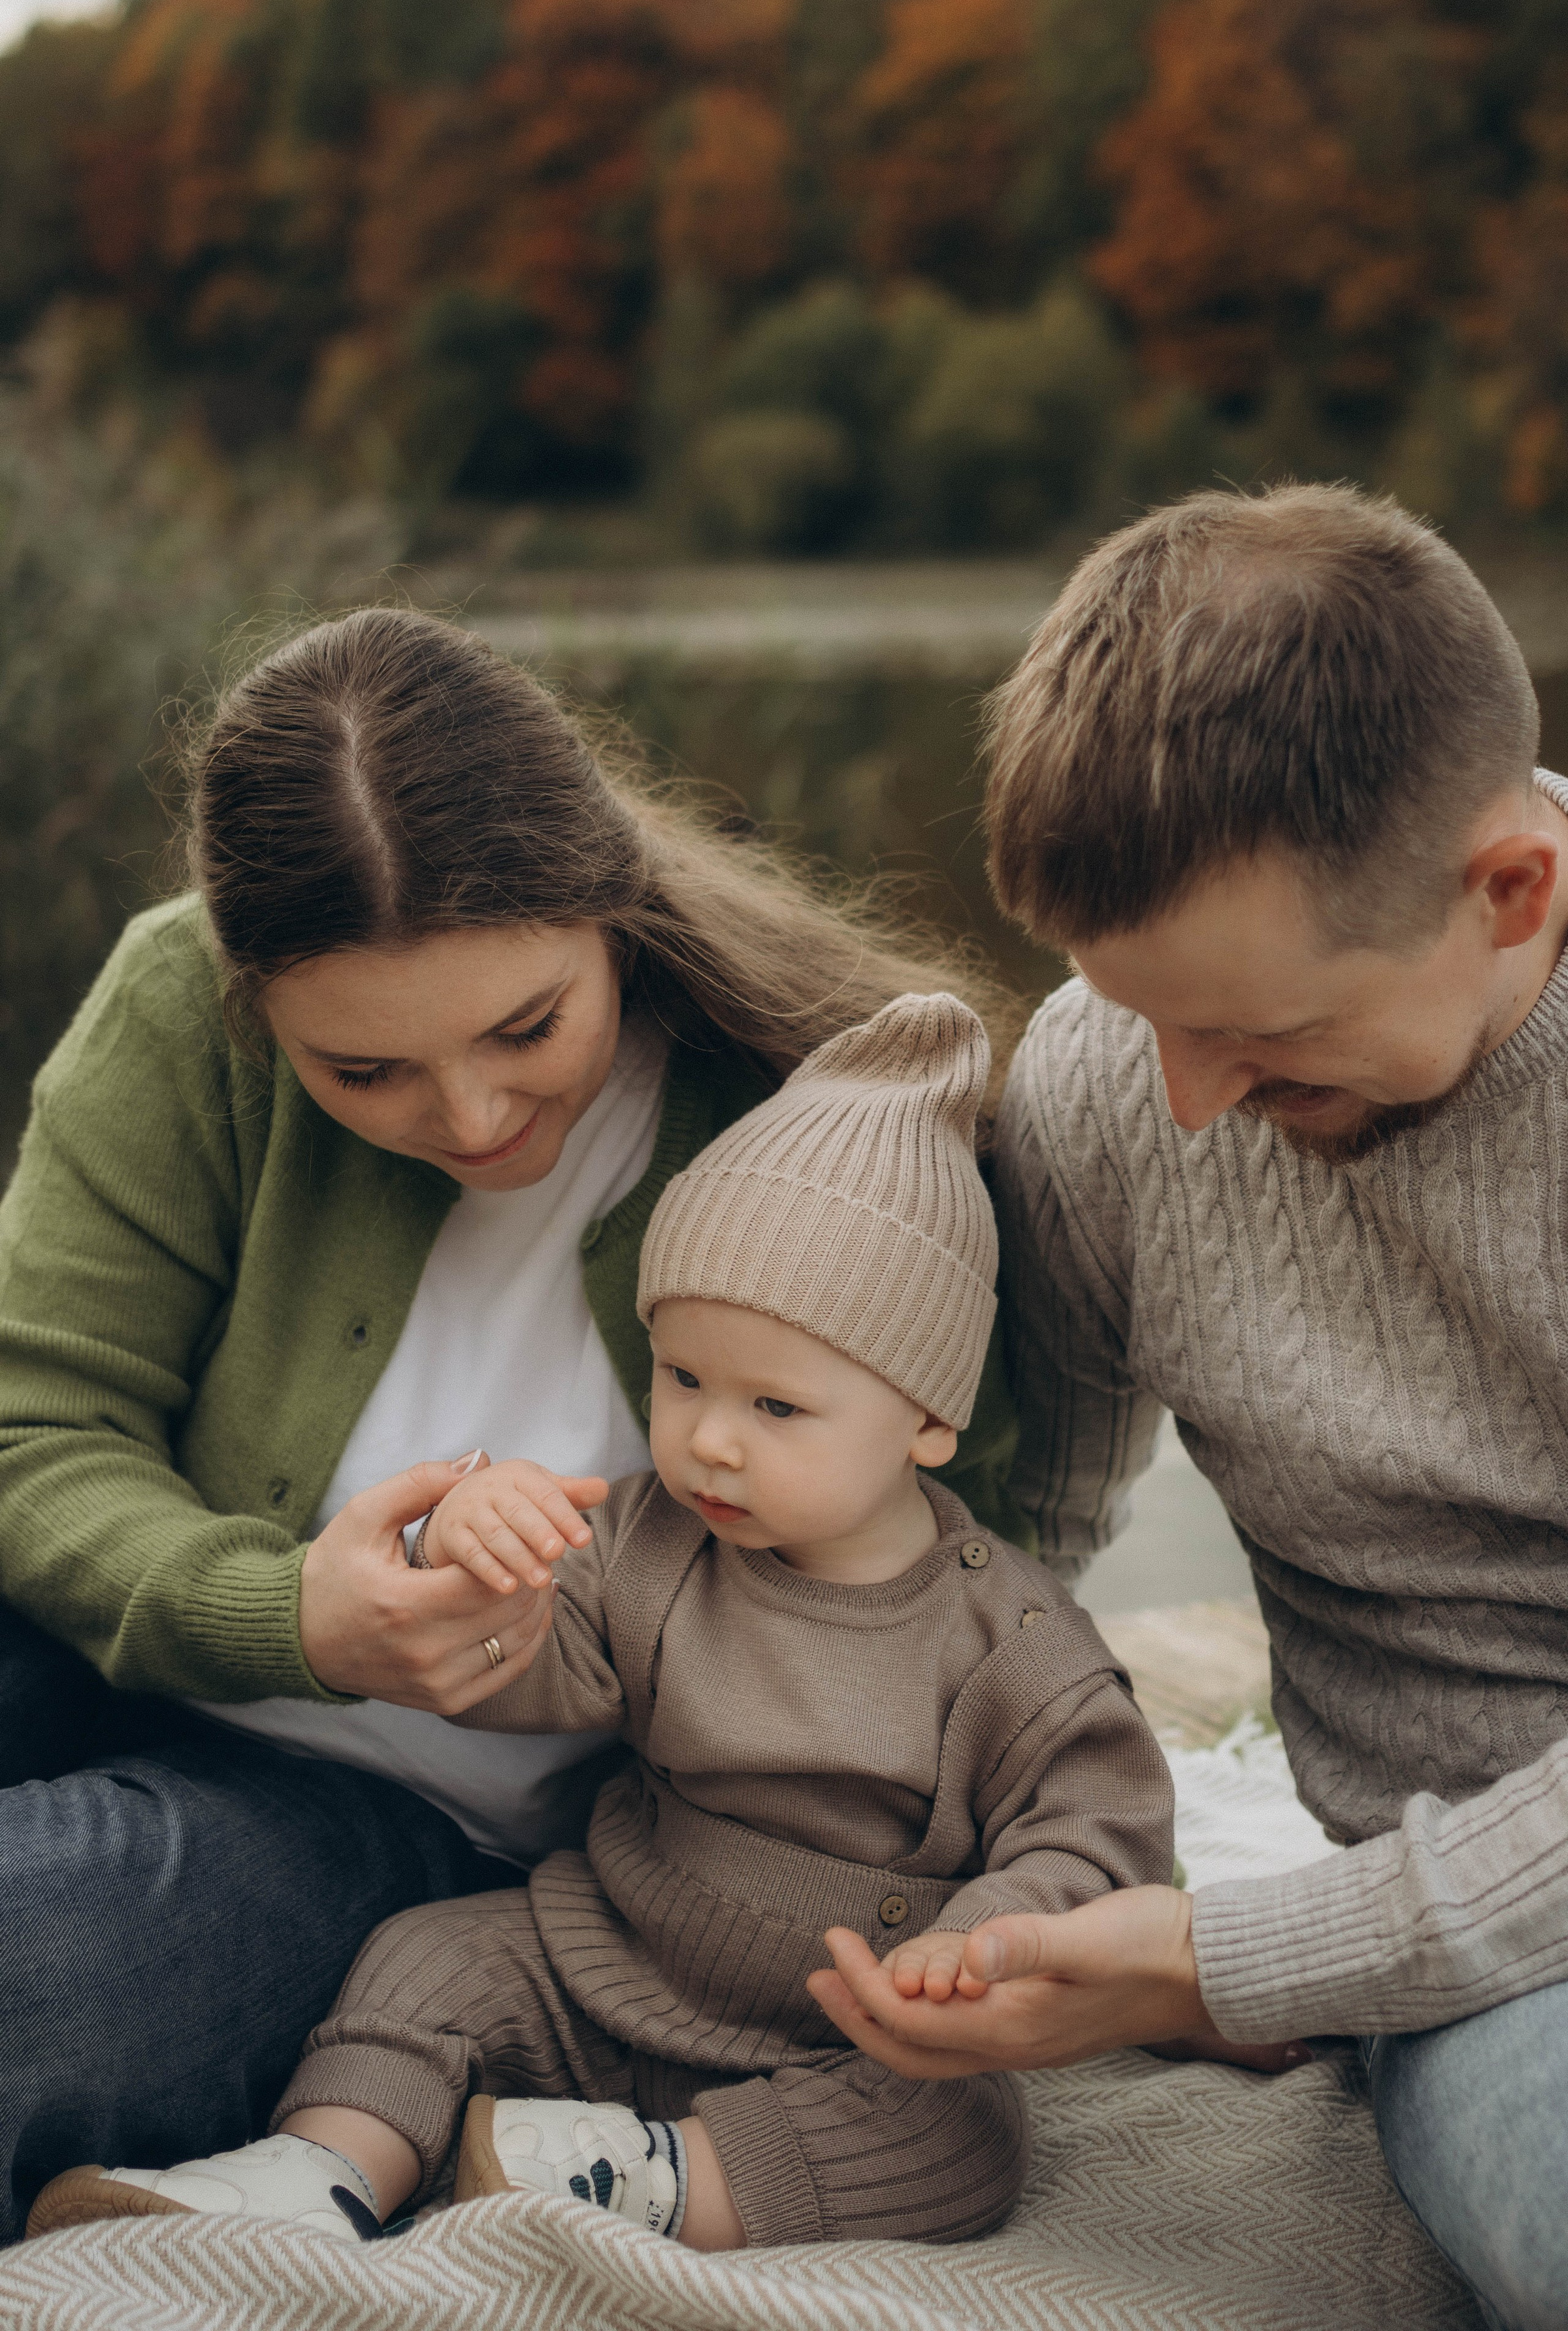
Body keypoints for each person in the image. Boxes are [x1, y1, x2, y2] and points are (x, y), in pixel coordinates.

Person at [0, 611, 1021, 2245]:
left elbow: (951, 1574)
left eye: (527, 1029)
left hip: (422, 1822)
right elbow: (38, 1423)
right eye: (363, 1071)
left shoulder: (822, 1117)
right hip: (98, 1639)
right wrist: (286, 1613)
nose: (472, 1118)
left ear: (611, 906)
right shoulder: (177, 1004)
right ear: (256, 1002)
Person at [808, 486, 1568, 2331]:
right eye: (1140, 1018)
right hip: (1516, 1981)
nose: (1186, 1106)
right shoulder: (1114, 1078)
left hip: (1419, 1920)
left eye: (1263, 1038)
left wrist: (1239, 1956)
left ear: (1505, 891)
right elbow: (1005, 1555)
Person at [28, 995, 1173, 2251]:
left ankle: (651, 2176)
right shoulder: (654, 1544)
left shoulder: (1012, 1642)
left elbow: (1097, 1832)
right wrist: (473, 1552)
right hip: (604, 1951)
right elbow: (518, 1663)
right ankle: (322, 2169)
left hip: (842, 2018)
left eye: (777, 1409)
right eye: (683, 1377)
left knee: (959, 2135)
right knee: (431, 1962)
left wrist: (987, 1942)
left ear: (929, 1422)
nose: (710, 1439)